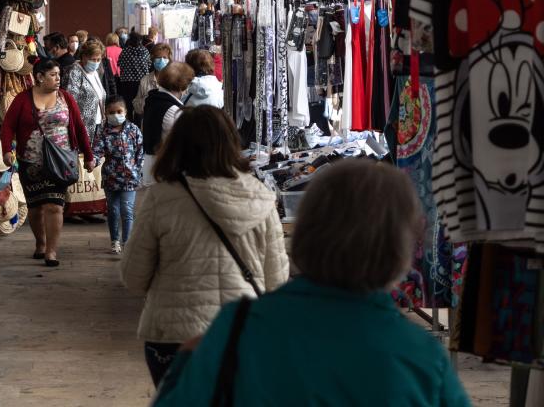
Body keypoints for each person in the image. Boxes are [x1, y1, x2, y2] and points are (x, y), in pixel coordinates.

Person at [153, 160, 471, 407]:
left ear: (306, 230)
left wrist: (184, 363)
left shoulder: (237, 329)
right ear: (402, 247)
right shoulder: (422, 359)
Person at [121, 106, 289, 387]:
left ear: (176, 144)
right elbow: (277, 282)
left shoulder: (160, 198)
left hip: (173, 336)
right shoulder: (261, 197)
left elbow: (134, 278)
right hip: (243, 333)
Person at [0, 59, 95, 267]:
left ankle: (51, 251)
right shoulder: (22, 99)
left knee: (55, 206)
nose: (58, 78)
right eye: (53, 74)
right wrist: (7, 150)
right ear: (39, 76)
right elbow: (8, 126)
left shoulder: (66, 98)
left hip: (60, 162)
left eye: (58, 74)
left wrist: (89, 155)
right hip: (31, 163)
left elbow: (79, 127)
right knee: (35, 208)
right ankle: (40, 242)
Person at [91, 96, 143, 254]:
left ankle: (127, 243)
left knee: (127, 210)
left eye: (119, 111)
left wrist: (138, 168)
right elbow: (97, 150)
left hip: (130, 178)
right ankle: (115, 240)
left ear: (126, 112)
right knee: (113, 210)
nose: (115, 115)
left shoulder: (133, 129)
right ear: (105, 113)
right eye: (111, 112)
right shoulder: (101, 130)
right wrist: (92, 160)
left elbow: (140, 151)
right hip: (110, 178)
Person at [140, 62, 194, 186]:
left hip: (151, 163)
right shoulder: (173, 110)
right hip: (164, 169)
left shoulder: (153, 100)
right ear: (182, 86)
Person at [63, 39, 107, 145]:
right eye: (93, 59)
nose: (96, 63)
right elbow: (70, 100)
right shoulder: (74, 71)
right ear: (84, 56)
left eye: (98, 59)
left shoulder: (95, 73)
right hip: (82, 127)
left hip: (97, 123)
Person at [133, 43, 172, 121]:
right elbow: (136, 103)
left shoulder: (174, 80)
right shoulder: (145, 80)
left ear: (169, 60)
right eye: (158, 57)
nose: (161, 60)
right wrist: (146, 102)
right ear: (153, 59)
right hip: (149, 120)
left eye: (164, 57)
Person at [117, 31, 152, 117]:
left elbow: (119, 64)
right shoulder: (145, 51)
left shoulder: (125, 51)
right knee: (140, 103)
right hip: (141, 81)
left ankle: (129, 122)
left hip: (127, 82)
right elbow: (149, 64)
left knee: (128, 104)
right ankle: (138, 123)